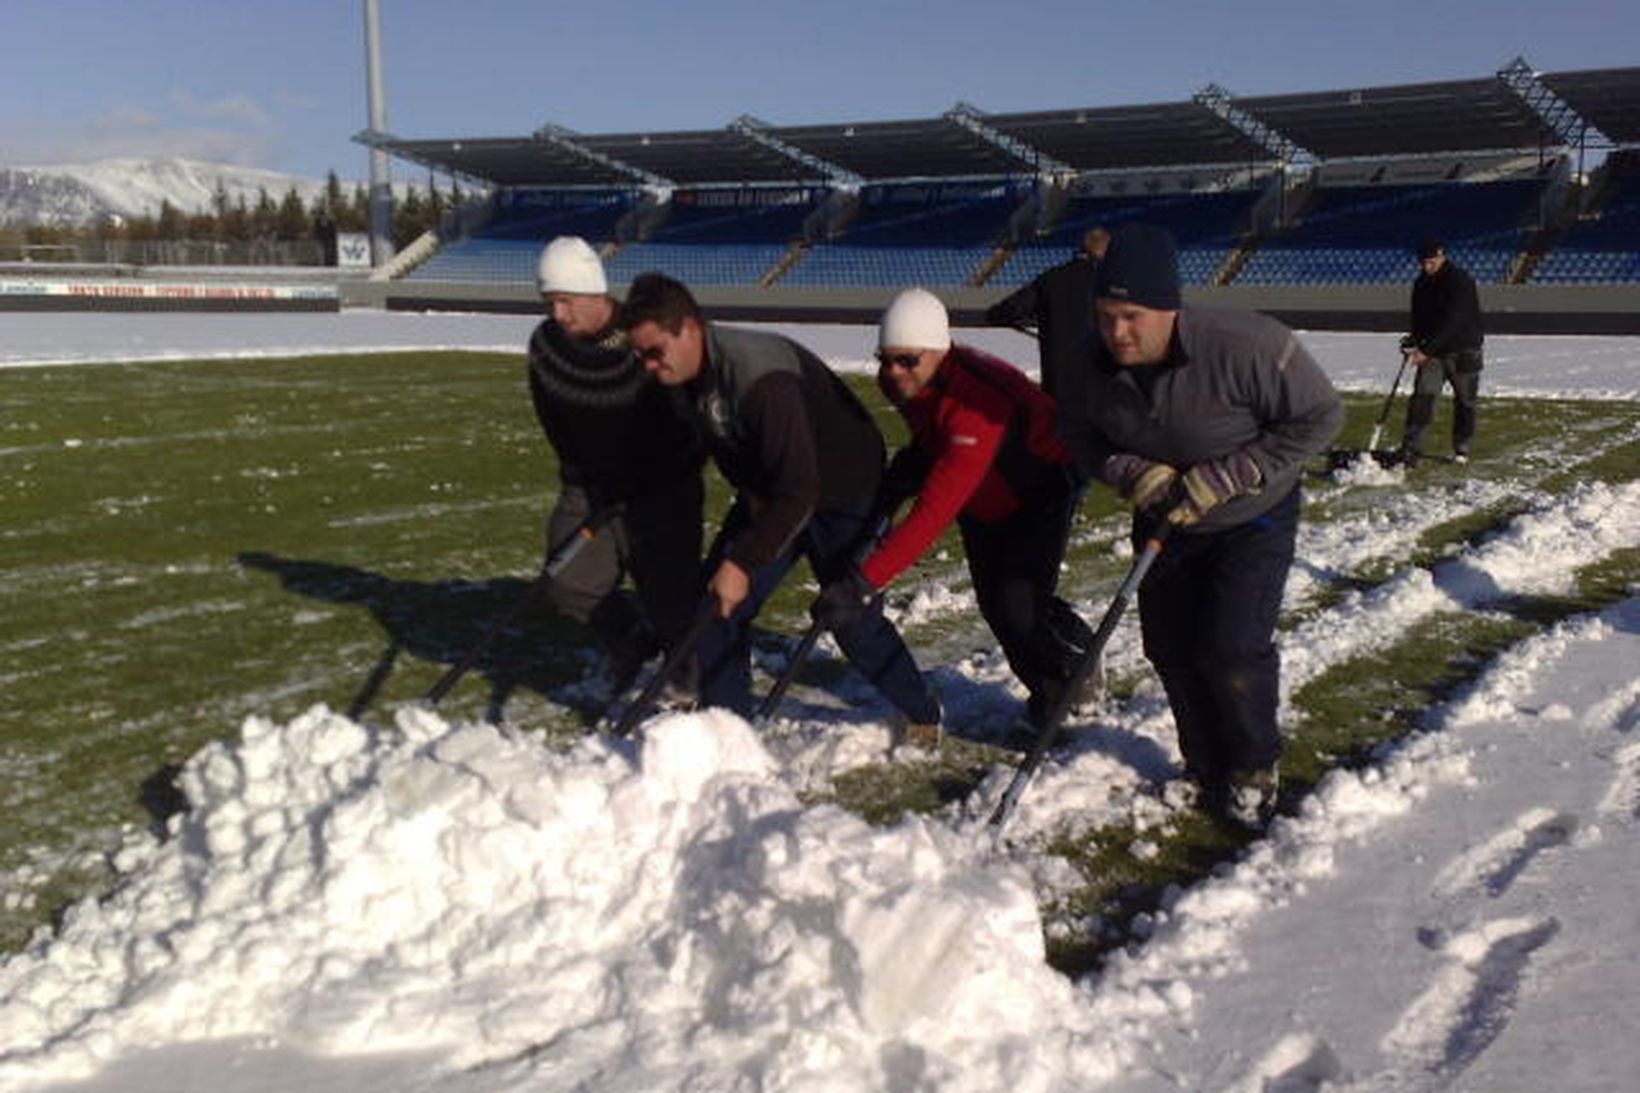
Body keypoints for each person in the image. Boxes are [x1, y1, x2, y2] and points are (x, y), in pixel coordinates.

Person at [1059, 224, 1343, 826]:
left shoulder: (1246, 345)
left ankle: (1251, 767)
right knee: (1171, 649)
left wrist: (1233, 474)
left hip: (1251, 518)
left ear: (1168, 308)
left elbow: (1320, 415)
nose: (1117, 332)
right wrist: (1131, 471)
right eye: (1106, 315)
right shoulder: (1086, 361)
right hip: (1166, 517)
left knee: (1232, 649)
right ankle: (1203, 763)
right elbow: (1077, 435)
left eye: (1132, 316)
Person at [618, 272, 942, 737]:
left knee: (851, 617)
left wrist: (743, 560)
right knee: (717, 608)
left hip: (842, 490)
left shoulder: (761, 378)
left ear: (688, 329)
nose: (648, 365)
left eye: (654, 352)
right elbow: (709, 442)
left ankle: (922, 711)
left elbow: (801, 489)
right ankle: (730, 734)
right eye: (639, 355)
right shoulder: (680, 375)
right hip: (775, 490)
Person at [826, 288, 1093, 748]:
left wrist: (864, 582)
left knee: (1019, 606)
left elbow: (934, 511)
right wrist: (912, 464)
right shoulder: (911, 382)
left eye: (906, 360)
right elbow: (935, 440)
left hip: (1040, 487)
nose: (892, 373)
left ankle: (1060, 696)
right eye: (885, 360)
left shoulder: (974, 406)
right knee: (997, 604)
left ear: (939, 351)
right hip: (985, 493)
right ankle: (1070, 644)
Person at [526, 237, 705, 696]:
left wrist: (655, 477)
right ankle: (630, 637)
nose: (557, 315)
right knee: (567, 580)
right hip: (590, 483)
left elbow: (686, 418)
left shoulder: (639, 337)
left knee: (667, 589)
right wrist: (583, 474)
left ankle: (684, 676)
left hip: (661, 484)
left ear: (595, 293)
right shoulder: (546, 345)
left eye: (566, 302)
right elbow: (553, 419)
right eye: (550, 303)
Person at [983, 226, 1109, 402]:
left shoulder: (1051, 278)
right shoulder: (1108, 284)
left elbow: (1008, 310)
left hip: (1056, 386)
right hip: (1097, 389)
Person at [1398, 238, 1484, 465]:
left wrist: (1426, 349)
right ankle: (1410, 449)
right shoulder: (1421, 283)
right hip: (1434, 354)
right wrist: (1414, 340)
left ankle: (1461, 448)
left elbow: (1454, 321)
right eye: (1423, 263)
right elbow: (1419, 319)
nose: (1427, 267)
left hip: (1464, 350)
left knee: (1465, 401)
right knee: (1422, 399)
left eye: (1431, 262)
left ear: (1441, 255)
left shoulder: (1459, 280)